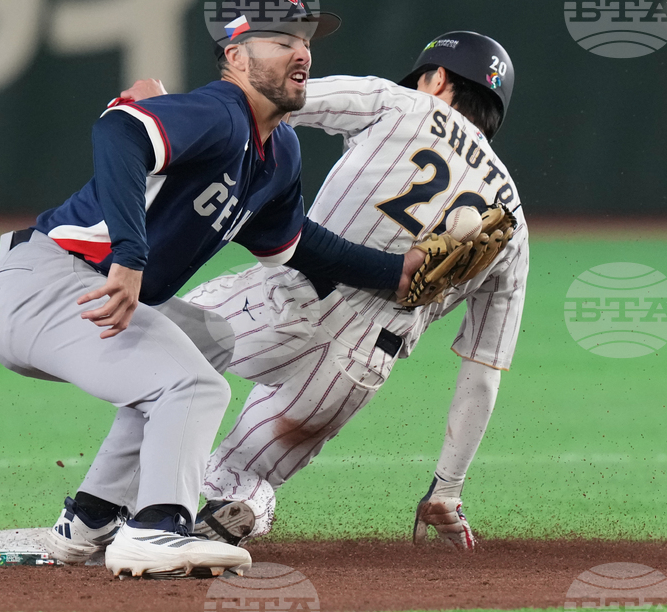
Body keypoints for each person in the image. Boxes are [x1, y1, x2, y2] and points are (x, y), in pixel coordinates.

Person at [0, 0, 422, 577]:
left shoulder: (279, 151)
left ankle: (91, 517)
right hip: (44, 284)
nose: (302, 52)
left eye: (305, 38)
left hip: (85, 295)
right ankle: (158, 529)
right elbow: (119, 132)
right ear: (235, 55)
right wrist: (129, 254)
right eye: (281, 38)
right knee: (193, 387)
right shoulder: (221, 112)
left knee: (207, 338)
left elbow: (299, 247)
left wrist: (396, 273)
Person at [122, 31, 527, 551]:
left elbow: (268, 99)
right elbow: (482, 371)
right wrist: (447, 487)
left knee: (154, 354)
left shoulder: (397, 103)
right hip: (357, 364)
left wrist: (168, 109)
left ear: (439, 78)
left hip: (284, 300)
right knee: (237, 475)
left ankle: (103, 512)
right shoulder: (513, 223)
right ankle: (243, 504)